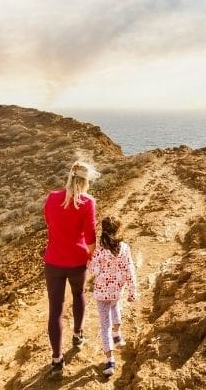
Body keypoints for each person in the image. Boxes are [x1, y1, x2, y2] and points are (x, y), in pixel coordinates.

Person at [42, 160, 98, 377]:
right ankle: (77, 335)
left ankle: (56, 360)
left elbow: (49, 222)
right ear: (86, 181)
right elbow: (91, 236)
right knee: (78, 295)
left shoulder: (52, 198)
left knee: (55, 310)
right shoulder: (87, 202)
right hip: (77, 261)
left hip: (54, 261)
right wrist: (91, 255)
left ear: (69, 177)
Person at [87, 216, 138, 377]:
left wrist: (89, 262)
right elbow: (130, 270)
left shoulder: (100, 250)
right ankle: (118, 335)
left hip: (102, 292)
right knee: (116, 307)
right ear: (118, 230)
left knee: (104, 326)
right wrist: (132, 291)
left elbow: (93, 271)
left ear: (103, 231)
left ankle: (110, 361)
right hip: (117, 290)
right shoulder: (125, 248)